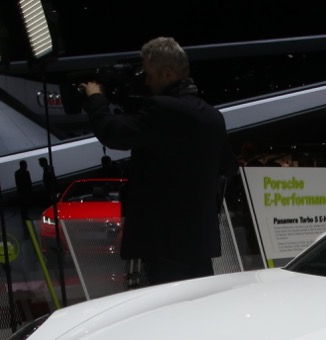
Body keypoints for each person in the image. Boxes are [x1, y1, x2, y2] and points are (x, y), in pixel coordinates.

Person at [83, 36, 231, 284]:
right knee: (201, 304)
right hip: (200, 241)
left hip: (165, 244)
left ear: (168, 73)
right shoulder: (213, 116)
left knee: (167, 306)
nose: (147, 82)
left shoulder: (162, 109)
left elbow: (113, 133)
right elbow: (228, 166)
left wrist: (95, 98)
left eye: (149, 76)